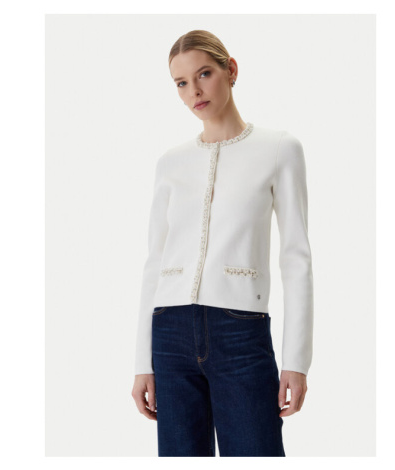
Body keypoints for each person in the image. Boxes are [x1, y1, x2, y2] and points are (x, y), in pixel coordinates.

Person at [131, 30, 314, 457]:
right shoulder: (171, 163)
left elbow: (296, 258)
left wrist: (296, 360)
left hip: (240, 331)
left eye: (204, 74)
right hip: (170, 331)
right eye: (181, 83)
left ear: (230, 70)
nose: (194, 91)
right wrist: (142, 363)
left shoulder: (279, 149)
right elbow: (154, 263)